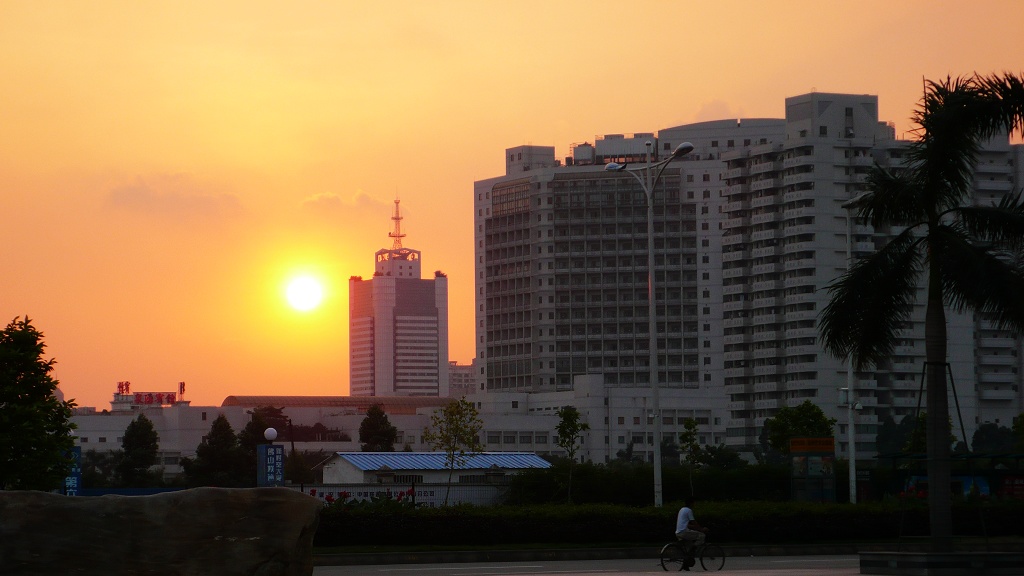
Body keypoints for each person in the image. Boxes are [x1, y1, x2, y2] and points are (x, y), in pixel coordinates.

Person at [675, 497, 706, 570]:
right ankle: (694, 550)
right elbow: (693, 522)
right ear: (691, 503)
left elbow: (687, 524)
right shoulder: (689, 510)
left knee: (688, 548)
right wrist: (701, 529)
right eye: (694, 503)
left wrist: (696, 528)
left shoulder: (682, 509)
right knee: (702, 535)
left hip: (678, 532)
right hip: (684, 532)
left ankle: (686, 564)